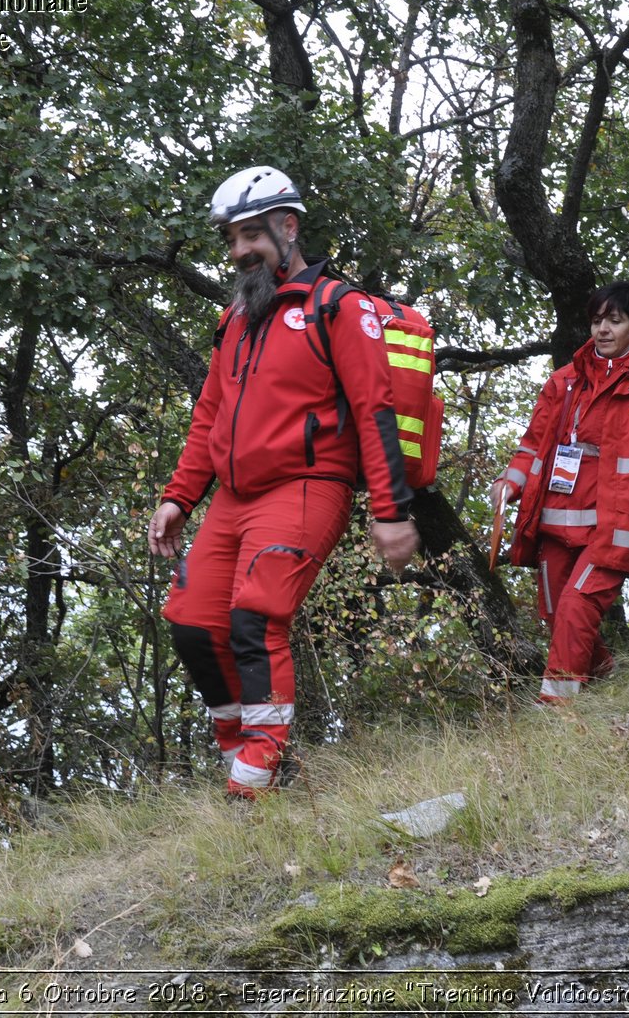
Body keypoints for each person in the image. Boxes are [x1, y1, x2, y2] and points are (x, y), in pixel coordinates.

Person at [147, 165, 420, 798]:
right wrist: (178, 498)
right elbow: (209, 415)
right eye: (232, 239)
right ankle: (246, 754)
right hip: (233, 498)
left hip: (307, 486)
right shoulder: (235, 320)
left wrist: (391, 510)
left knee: (255, 620)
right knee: (192, 624)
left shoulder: (339, 307)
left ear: (287, 226)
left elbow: (376, 409)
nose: (241, 250)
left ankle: (254, 783)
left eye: (252, 234)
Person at [491, 281, 629, 704]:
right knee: (558, 615)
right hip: (555, 519)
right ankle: (604, 678)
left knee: (577, 608)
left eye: (615, 321)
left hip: (615, 529)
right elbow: (532, 446)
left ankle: (556, 710)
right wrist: (510, 482)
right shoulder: (563, 382)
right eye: (597, 321)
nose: (603, 330)